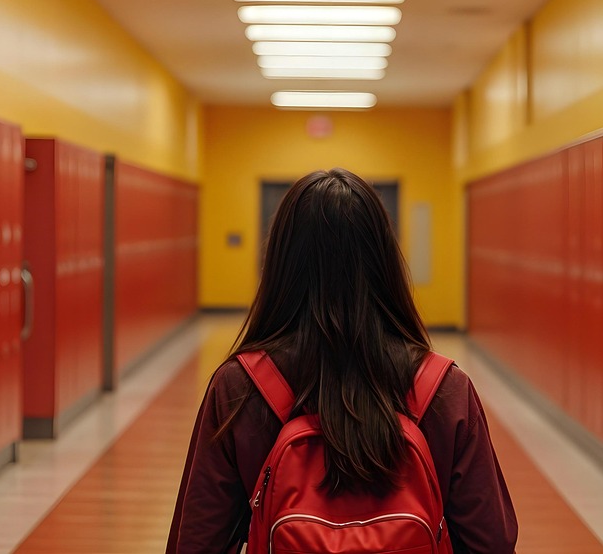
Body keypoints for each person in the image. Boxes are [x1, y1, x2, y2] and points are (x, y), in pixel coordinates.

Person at [166, 168, 517, 553]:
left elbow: (198, 541)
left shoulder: (240, 388)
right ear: (385, 260)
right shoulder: (444, 390)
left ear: (279, 263)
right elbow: (491, 541)